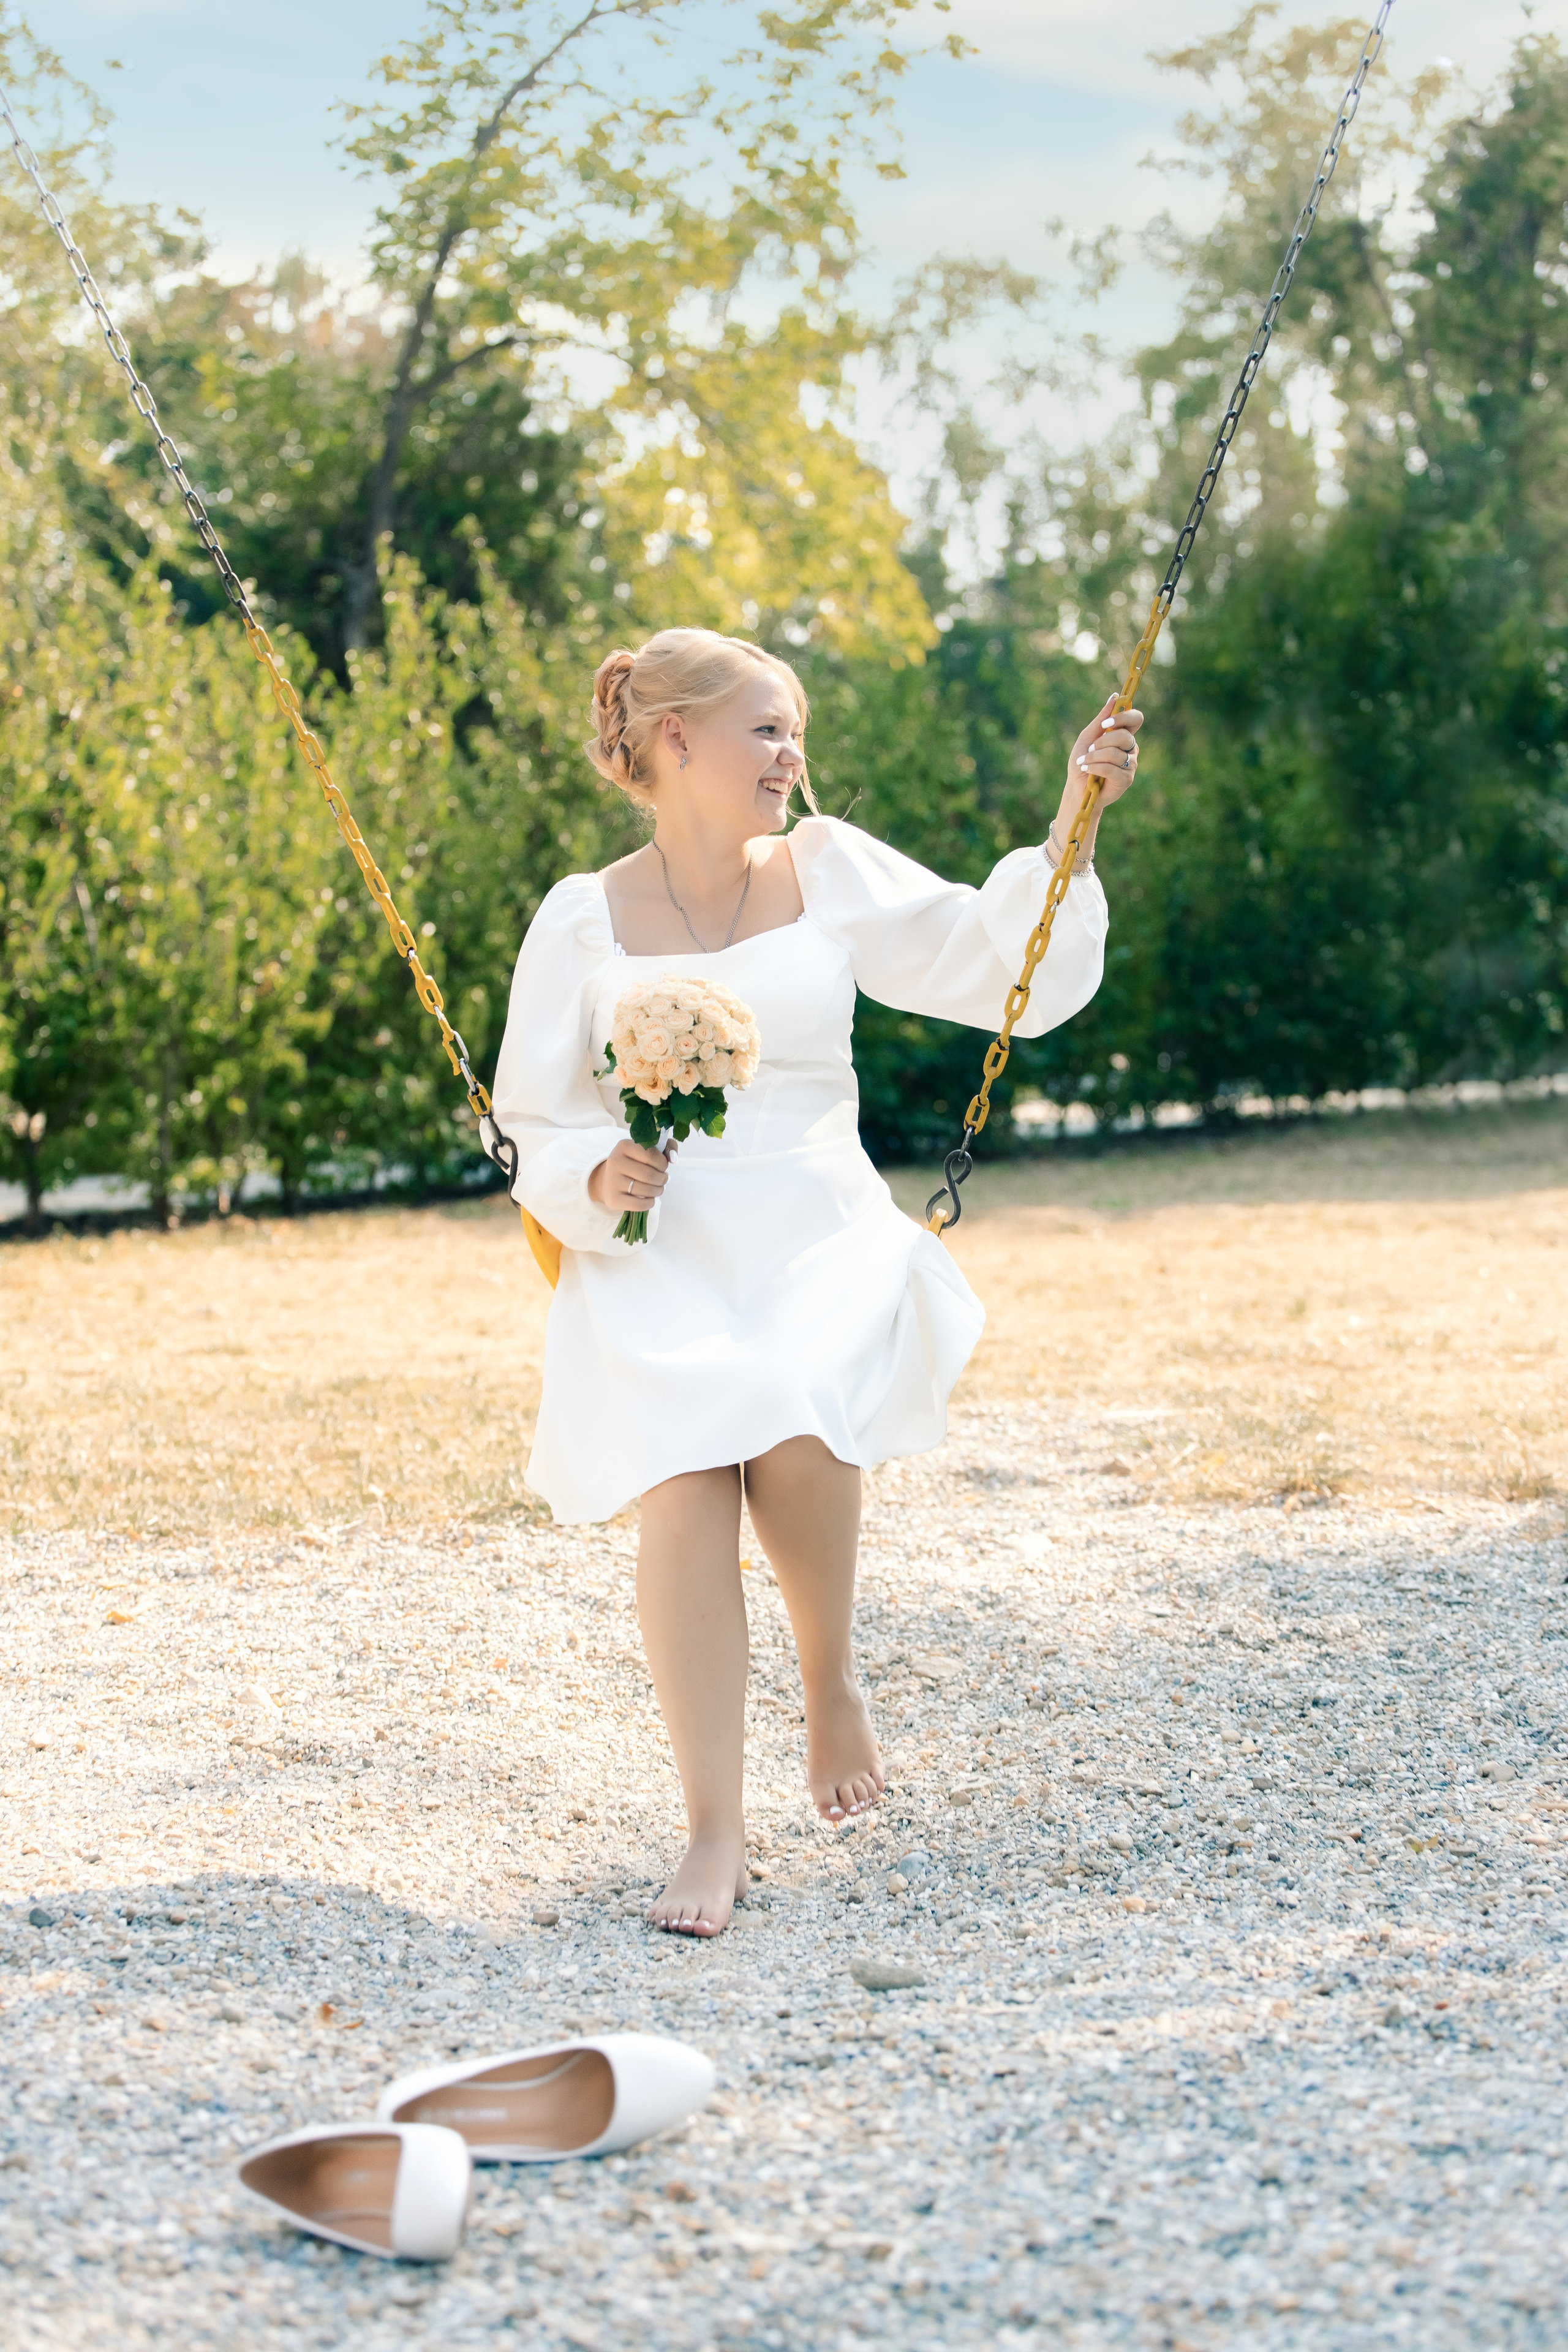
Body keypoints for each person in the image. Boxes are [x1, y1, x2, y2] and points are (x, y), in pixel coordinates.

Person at [490, 628, 1140, 1934]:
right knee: (680, 1485)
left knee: (789, 1408)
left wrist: (1075, 812)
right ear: (674, 738)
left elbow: (975, 948)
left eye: (792, 732)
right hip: (659, 1236)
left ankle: (829, 1673)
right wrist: (589, 1174)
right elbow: (526, 1115)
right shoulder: (581, 916)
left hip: (809, 1214)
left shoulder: (824, 867)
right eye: (766, 731)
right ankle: (713, 1831)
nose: (791, 757)